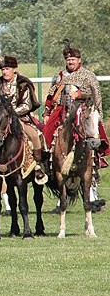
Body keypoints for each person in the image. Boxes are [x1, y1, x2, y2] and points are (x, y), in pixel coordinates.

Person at [43, 43, 109, 212]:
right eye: (67, 59)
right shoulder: (59, 77)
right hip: (62, 113)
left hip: (82, 110)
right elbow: (51, 96)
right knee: (46, 133)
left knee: (93, 132)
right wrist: (47, 111)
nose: (70, 61)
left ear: (79, 60)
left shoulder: (87, 76)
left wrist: (80, 94)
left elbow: (94, 94)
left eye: (73, 59)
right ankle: (43, 163)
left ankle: (97, 158)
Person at [0, 55, 48, 185]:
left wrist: (11, 113)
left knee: (35, 135)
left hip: (20, 118)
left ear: (14, 69)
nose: (4, 72)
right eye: (3, 69)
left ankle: (38, 167)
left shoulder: (23, 84)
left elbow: (26, 105)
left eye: (7, 69)